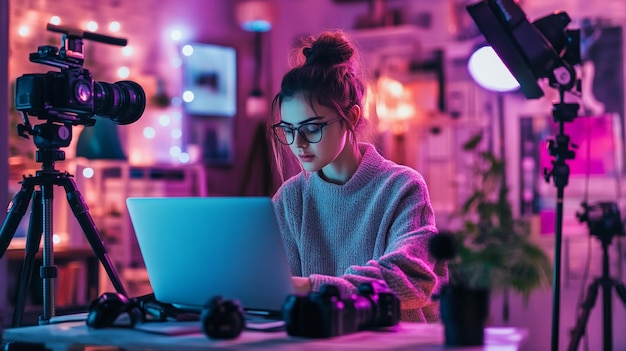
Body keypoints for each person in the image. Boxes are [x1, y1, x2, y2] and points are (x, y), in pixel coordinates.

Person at [269, 30, 447, 322]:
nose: (297, 143)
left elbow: (411, 278)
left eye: (311, 128)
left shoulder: (402, 187)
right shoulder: (290, 198)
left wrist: (313, 287)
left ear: (350, 117)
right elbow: (269, 285)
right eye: (287, 130)